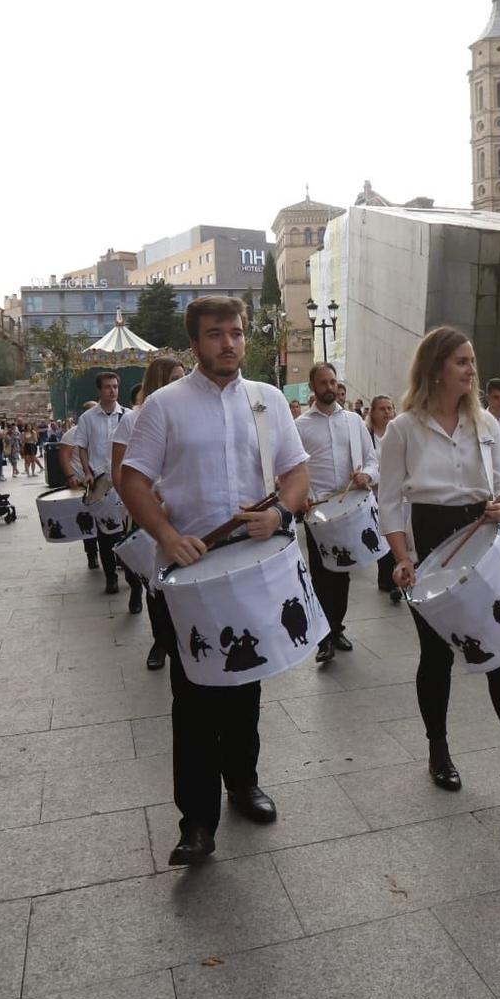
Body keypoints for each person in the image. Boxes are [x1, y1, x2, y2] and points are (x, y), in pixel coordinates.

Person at [117, 296, 309, 866]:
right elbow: (131, 480)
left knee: (247, 681)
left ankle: (243, 782)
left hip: (251, 563)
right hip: (192, 570)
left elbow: (296, 472)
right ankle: (196, 821)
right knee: (195, 694)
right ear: (195, 343)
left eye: (236, 332)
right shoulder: (165, 406)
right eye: (215, 334)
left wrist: (281, 515)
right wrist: (167, 536)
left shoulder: (267, 400)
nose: (228, 343)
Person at [380, 327, 500, 804]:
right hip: (429, 539)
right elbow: (388, 503)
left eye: (472, 361)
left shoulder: (485, 424)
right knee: (436, 656)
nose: (472, 370)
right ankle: (438, 750)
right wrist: (402, 558)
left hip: (482, 535)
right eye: (462, 362)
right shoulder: (402, 428)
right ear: (435, 369)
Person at [294, 362, 378, 665]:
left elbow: (372, 460)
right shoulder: (300, 427)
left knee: (343, 575)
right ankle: (324, 638)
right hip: (318, 514)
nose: (329, 387)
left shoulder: (354, 421)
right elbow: (291, 471)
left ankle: (336, 627)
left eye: (332, 381)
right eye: (323, 382)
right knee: (321, 574)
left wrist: (366, 476)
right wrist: (301, 497)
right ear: (312, 387)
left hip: (351, 511)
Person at [111, 355, 188, 669]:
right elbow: (120, 473)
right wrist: (145, 506)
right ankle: (161, 640)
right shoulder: (132, 419)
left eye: (184, 377)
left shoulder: (188, 413)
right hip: (150, 514)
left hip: (183, 512)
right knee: (156, 582)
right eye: (174, 379)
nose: (182, 384)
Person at [62, 371, 132, 597]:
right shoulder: (88, 418)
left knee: (127, 531)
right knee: (104, 532)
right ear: (99, 390)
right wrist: (87, 472)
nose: (112, 390)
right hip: (101, 479)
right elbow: (81, 446)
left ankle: (132, 578)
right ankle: (110, 577)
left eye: (115, 386)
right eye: (108, 387)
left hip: (124, 480)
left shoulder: (128, 416)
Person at [366, 394, 401, 603]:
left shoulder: (399, 434)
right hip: (377, 495)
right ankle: (386, 580)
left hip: (399, 494)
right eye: (382, 409)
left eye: (390, 408)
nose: (387, 412)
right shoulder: (368, 436)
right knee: (383, 537)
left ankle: (398, 578)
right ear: (373, 412)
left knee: (399, 535)